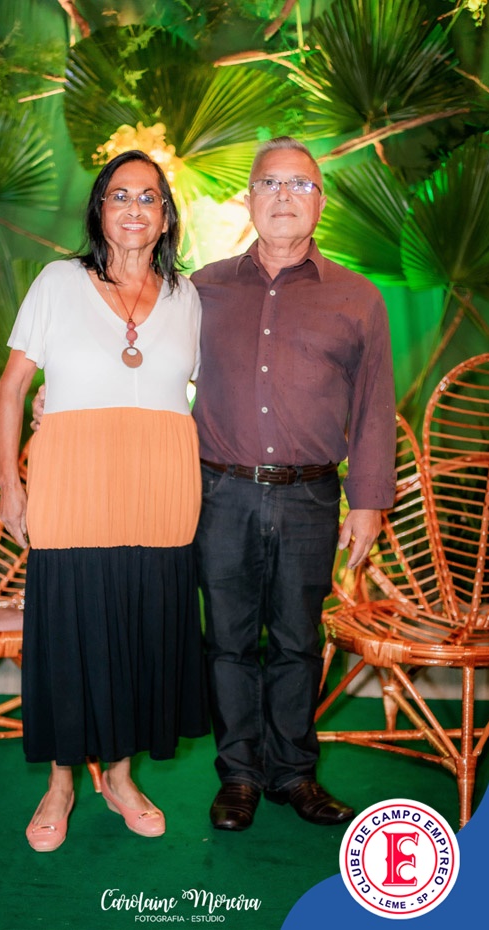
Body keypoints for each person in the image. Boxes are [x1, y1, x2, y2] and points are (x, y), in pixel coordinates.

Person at [0, 150, 208, 851]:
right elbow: (14, 387)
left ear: (166, 216)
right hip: (73, 486)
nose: (135, 208)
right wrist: (10, 484)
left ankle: (118, 778)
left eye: (149, 197)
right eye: (120, 195)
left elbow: (200, 393)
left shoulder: (187, 297)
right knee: (70, 634)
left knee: (143, 636)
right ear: (99, 210)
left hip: (161, 492)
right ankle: (60, 784)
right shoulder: (59, 282)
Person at [191, 136, 396, 831]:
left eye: (299, 184)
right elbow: (142, 365)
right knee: (227, 641)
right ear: (248, 199)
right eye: (270, 183)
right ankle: (239, 777)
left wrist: (368, 503)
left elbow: (373, 406)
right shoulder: (202, 289)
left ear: (320, 202)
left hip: (312, 497)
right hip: (220, 493)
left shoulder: (358, 298)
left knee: (298, 641)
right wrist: (59, 394)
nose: (284, 196)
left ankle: (294, 773)